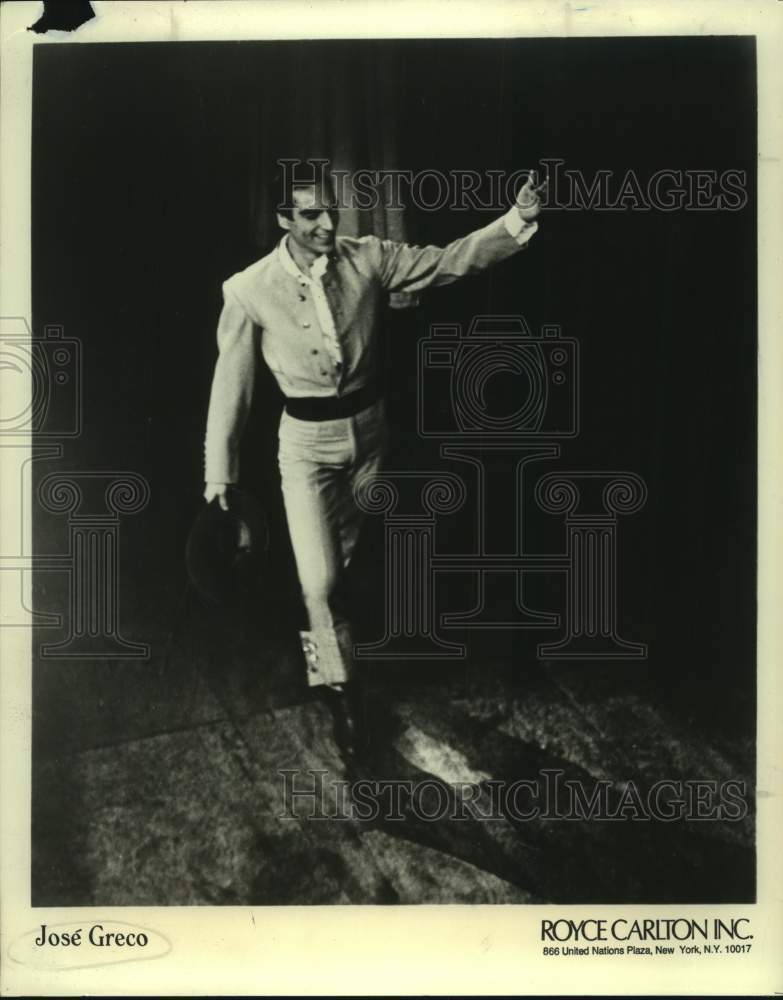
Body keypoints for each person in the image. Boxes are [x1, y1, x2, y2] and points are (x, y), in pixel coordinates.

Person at [203, 166, 544, 760]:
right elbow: (231, 387)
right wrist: (219, 474)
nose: (327, 223)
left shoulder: (369, 256)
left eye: (330, 210)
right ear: (284, 219)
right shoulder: (248, 289)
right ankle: (340, 695)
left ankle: (337, 656)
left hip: (372, 441)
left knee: (348, 570)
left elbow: (448, 261)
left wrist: (516, 221)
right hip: (305, 452)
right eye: (310, 215)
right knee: (320, 583)